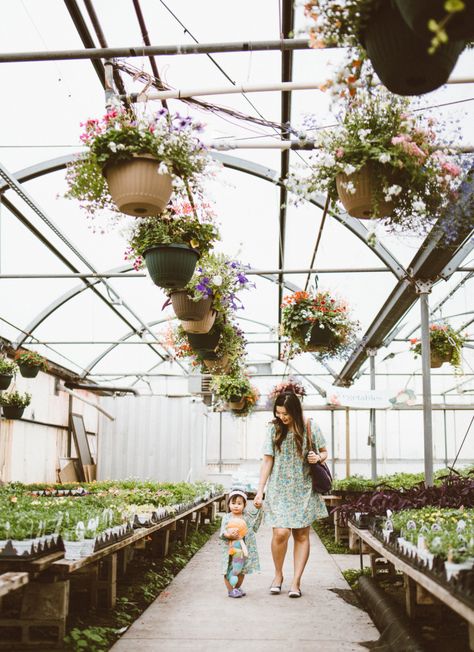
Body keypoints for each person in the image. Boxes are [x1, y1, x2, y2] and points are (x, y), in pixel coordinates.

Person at [254, 391, 328, 598]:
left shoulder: (310, 426)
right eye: (278, 413)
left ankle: (296, 582)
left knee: (301, 535)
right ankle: (278, 575)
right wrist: (260, 490)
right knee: (281, 533)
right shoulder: (273, 428)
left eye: (285, 413)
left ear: (295, 410)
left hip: (303, 488)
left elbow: (324, 452)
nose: (282, 417)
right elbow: (267, 460)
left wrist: (317, 457)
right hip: (278, 489)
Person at [220, 488, 263, 598]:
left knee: (242, 569)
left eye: (239, 503)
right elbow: (223, 532)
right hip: (231, 549)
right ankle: (230, 590)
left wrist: (259, 508)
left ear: (244, 505)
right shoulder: (227, 517)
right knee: (229, 569)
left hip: (243, 548)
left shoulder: (246, 516)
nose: (236, 506)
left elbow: (255, 519)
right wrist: (229, 535)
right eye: (233, 503)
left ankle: (237, 587)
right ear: (228, 504)